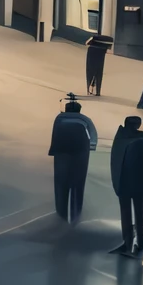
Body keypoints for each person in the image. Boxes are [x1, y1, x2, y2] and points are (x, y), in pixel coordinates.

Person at [112, 113, 143, 254]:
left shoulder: (121, 138)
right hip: (137, 184)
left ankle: (129, 242)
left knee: (127, 213)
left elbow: (115, 161)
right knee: (138, 213)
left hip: (125, 183)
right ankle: (138, 242)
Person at [50, 94, 92, 222]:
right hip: (81, 156)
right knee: (78, 186)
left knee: (61, 186)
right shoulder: (84, 119)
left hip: (61, 154)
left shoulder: (60, 118)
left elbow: (54, 135)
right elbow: (93, 136)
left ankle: (61, 215)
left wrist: (54, 150)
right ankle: (76, 215)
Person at [84, 29, 110, 99]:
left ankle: (91, 88)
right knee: (98, 71)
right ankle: (96, 90)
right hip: (100, 50)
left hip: (94, 49)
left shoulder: (92, 45)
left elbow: (86, 43)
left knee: (91, 70)